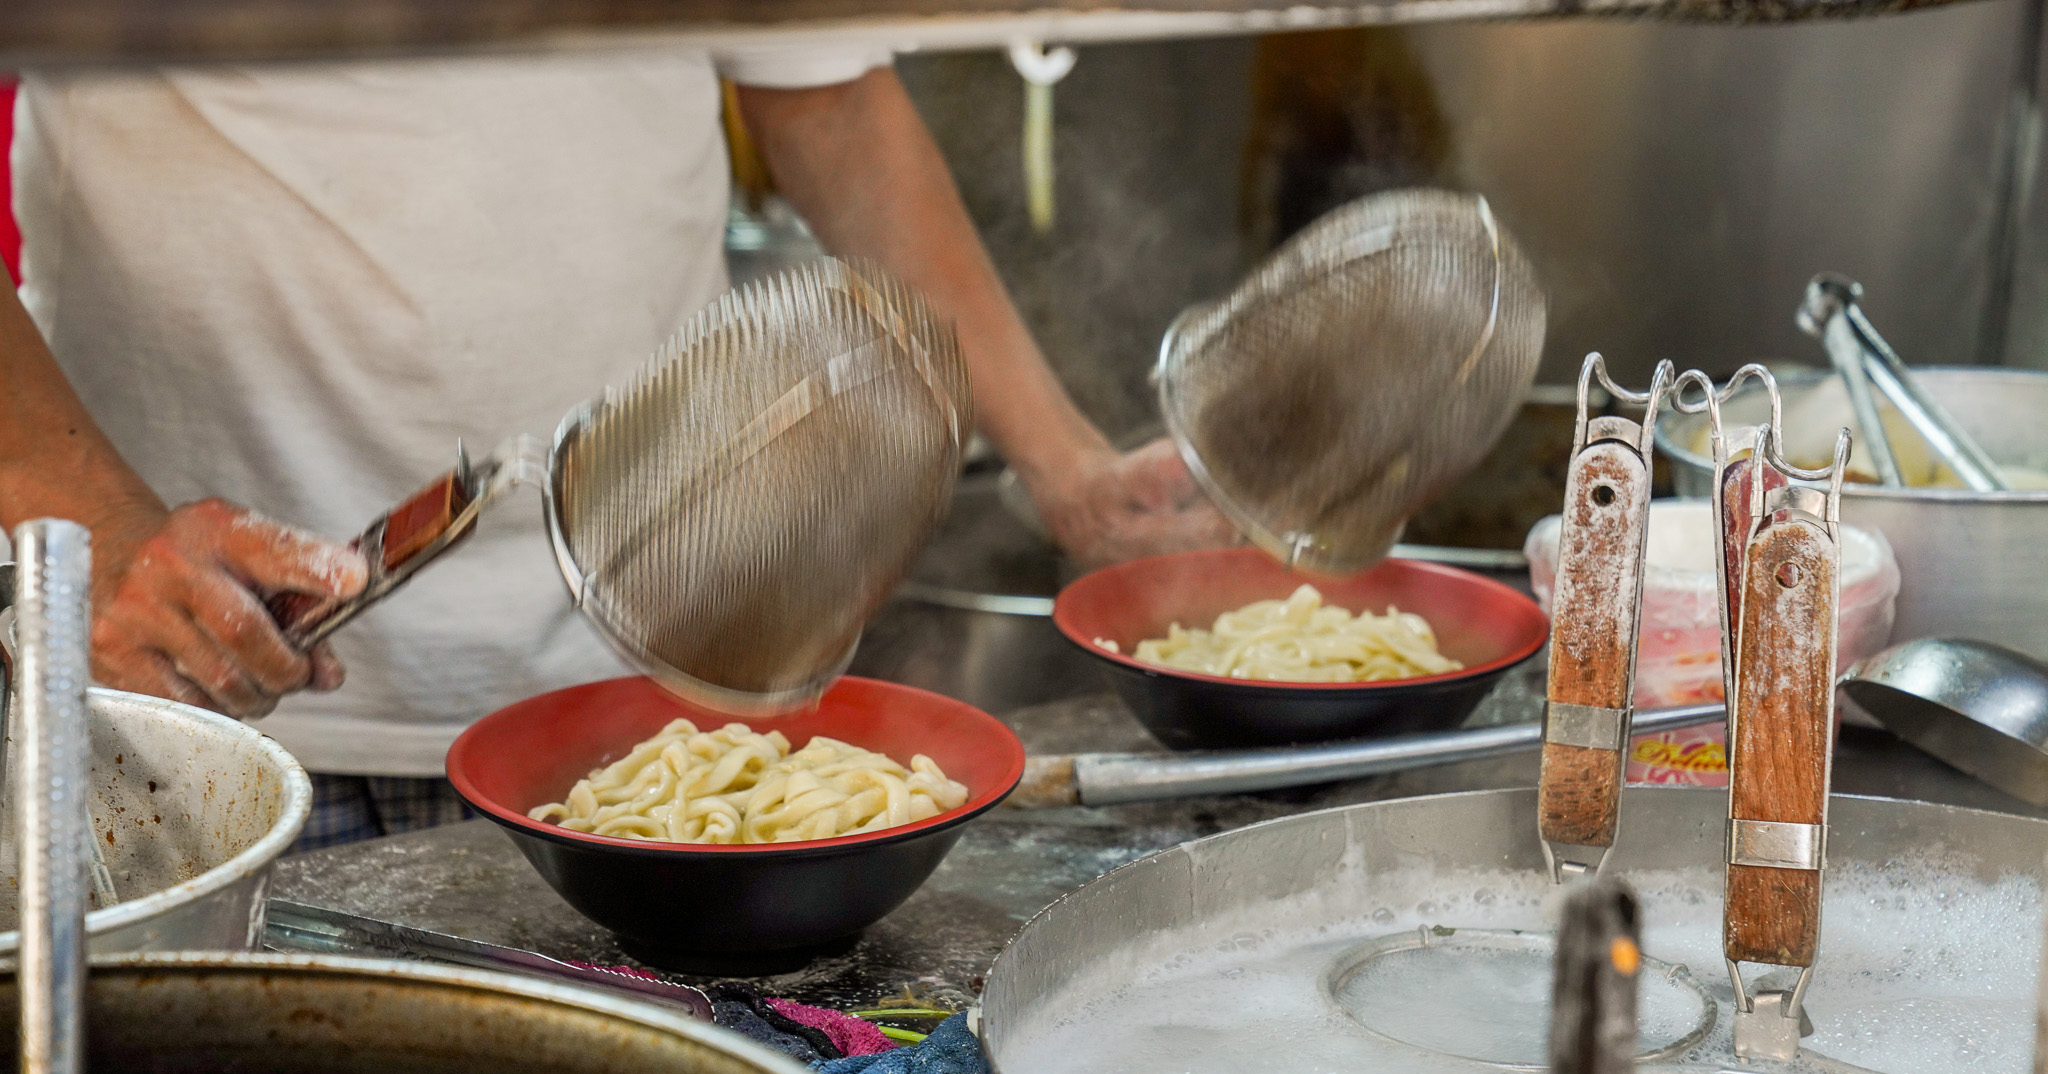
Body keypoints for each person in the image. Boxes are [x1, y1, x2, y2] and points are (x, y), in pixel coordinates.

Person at [1, 44, 1232, 847]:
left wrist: (1069, 468)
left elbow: (827, 91)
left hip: (647, 716)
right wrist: (99, 533)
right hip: (187, 725)